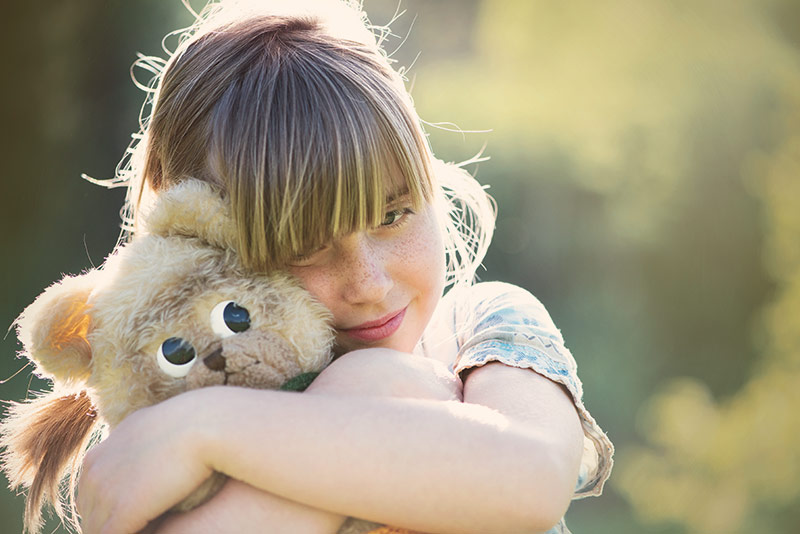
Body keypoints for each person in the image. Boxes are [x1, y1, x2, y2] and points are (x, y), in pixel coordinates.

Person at [76, 1, 613, 532]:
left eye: (393, 215)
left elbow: (533, 477)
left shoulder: (478, 331)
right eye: (304, 247)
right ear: (196, 241)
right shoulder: (153, 444)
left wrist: (206, 430)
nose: (369, 284)